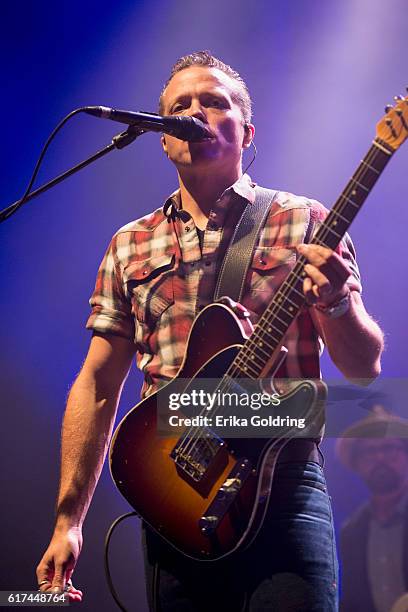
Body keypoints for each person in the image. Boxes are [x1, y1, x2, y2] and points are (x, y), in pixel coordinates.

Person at [36, 51, 384, 610]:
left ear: (247, 133)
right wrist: (67, 520)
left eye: (214, 102)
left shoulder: (305, 221)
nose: (195, 112)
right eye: (181, 106)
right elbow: (98, 385)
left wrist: (339, 304)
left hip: (284, 488)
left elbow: (364, 367)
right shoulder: (130, 243)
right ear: (163, 138)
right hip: (173, 495)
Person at [336, 406, 408, 612]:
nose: (379, 458)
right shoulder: (352, 531)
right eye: (369, 451)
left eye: (389, 448)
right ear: (356, 463)